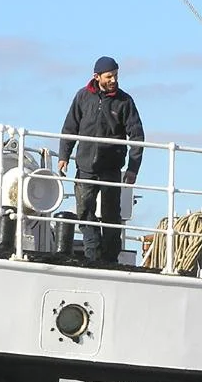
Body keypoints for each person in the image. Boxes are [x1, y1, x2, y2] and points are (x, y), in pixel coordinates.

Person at [58, 56, 144, 264]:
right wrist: (63, 156)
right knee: (84, 212)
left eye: (116, 75)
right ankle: (92, 254)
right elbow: (70, 127)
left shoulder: (125, 102)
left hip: (111, 168)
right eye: (109, 76)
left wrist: (133, 168)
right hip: (86, 166)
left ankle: (110, 258)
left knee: (111, 216)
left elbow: (137, 135)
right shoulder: (82, 97)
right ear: (97, 77)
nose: (114, 80)